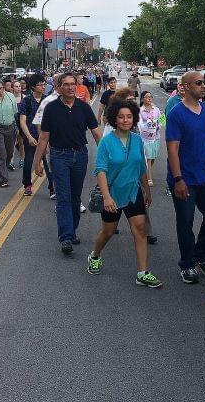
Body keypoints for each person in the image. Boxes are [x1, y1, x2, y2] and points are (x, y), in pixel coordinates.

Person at [87, 99, 162, 287]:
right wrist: (106, 196)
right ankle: (94, 255)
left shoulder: (137, 140)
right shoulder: (106, 142)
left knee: (140, 229)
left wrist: (147, 191)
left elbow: (141, 168)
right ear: (115, 119)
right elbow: (101, 170)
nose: (125, 120)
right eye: (121, 117)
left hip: (133, 191)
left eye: (129, 117)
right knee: (108, 231)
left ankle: (142, 272)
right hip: (112, 194)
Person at [34, 72, 101, 254]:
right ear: (59, 87)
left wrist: (106, 157)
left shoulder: (84, 108)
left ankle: (72, 231)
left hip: (80, 155)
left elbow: (96, 133)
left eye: (73, 84)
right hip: (59, 156)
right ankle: (65, 237)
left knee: (75, 196)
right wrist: (37, 162)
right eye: (66, 84)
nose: (70, 87)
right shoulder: (52, 108)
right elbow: (43, 137)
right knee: (63, 196)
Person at [166, 71, 205, 284]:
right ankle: (187, 263)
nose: (204, 86)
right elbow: (172, 148)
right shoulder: (176, 114)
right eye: (199, 83)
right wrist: (178, 178)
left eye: (204, 82)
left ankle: (201, 255)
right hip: (184, 179)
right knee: (186, 221)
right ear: (187, 86)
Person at [19, 74, 54, 198]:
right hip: (31, 136)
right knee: (29, 161)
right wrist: (29, 137)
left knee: (49, 163)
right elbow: (22, 121)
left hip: (46, 137)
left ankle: (52, 188)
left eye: (44, 84)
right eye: (40, 84)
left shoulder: (48, 100)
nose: (43, 87)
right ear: (33, 87)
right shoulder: (26, 101)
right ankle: (27, 185)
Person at [139, 91, 162, 186]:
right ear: (142, 99)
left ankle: (144, 171)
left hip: (156, 137)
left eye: (150, 97)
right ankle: (148, 178)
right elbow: (139, 124)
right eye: (147, 97)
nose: (149, 98)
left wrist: (157, 126)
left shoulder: (156, 109)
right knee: (148, 157)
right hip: (145, 138)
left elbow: (162, 121)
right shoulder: (140, 111)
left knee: (153, 157)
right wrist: (147, 127)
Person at [12, 80, 25, 168]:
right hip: (12, 121)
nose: (18, 88)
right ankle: (11, 160)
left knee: (21, 142)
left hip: (21, 122)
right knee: (12, 142)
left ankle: (22, 159)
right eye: (16, 86)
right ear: (12, 88)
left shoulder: (24, 97)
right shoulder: (10, 97)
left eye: (19, 86)